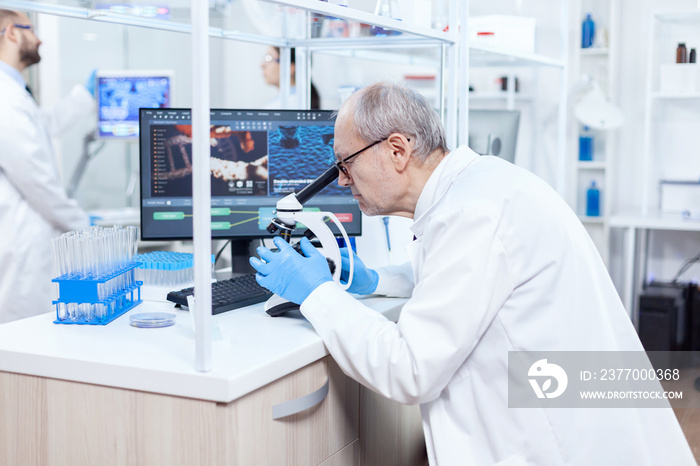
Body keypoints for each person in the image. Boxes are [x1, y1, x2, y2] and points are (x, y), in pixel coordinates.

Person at [250, 82, 695, 465]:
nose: (344, 181)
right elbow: (467, 280)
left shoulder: (470, 214)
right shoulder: (478, 188)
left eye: (345, 164)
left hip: (556, 443)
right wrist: (376, 280)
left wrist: (318, 294)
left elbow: (409, 369)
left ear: (398, 150)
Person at [0, 10, 93, 324]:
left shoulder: (14, 93)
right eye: (32, 30)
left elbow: (41, 125)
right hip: (19, 246)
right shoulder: (4, 96)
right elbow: (34, 175)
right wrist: (83, 226)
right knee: (23, 350)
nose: (39, 39)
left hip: (26, 242)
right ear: (12, 32)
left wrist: (84, 96)